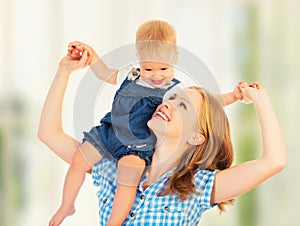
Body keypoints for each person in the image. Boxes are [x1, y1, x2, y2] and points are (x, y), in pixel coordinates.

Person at [38, 48, 286, 225]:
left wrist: (260, 100)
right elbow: (48, 134)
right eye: (172, 98)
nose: (169, 104)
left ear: (195, 137)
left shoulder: (196, 187)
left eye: (184, 106)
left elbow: (274, 162)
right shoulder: (114, 165)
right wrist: (64, 72)